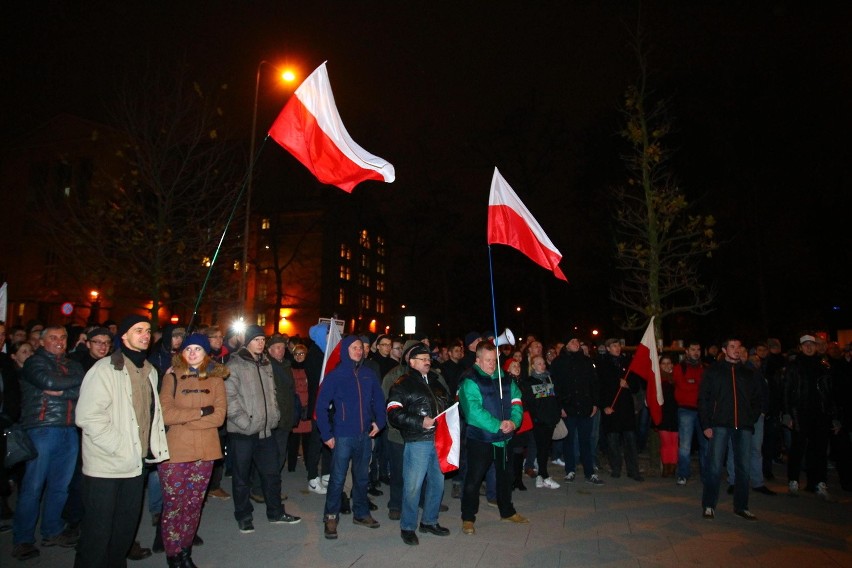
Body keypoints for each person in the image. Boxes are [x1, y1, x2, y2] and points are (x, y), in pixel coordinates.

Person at [74, 315, 170, 568]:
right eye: (138, 330)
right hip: (106, 465)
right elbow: (88, 417)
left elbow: (151, 415)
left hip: (135, 464)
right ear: (124, 336)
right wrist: (120, 447)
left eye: (148, 330)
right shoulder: (105, 369)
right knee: (98, 533)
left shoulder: (149, 371)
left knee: (124, 532)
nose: (145, 335)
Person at [11, 326, 85, 561]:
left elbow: (83, 387)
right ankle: (22, 539)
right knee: (33, 487)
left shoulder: (73, 365)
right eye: (53, 338)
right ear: (42, 342)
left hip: (69, 429)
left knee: (60, 486)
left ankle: (52, 530)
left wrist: (64, 390)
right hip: (42, 428)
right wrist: (72, 385)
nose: (59, 341)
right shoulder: (35, 362)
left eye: (62, 337)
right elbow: (49, 381)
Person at [158, 332, 227, 567]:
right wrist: (199, 413)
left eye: (198, 349)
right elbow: (166, 414)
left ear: (206, 353)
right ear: (182, 353)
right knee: (174, 505)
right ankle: (172, 554)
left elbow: (218, 418)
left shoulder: (216, 380)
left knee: (194, 504)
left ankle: (185, 552)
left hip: (206, 451)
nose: (193, 353)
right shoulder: (172, 378)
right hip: (175, 451)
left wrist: (185, 418)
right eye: (189, 349)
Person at [226, 325, 299, 533]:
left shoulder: (266, 364)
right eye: (256, 339)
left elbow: (272, 393)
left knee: (271, 473)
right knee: (242, 477)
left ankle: (275, 512)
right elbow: (229, 398)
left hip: (266, 430)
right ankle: (243, 515)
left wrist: (274, 415)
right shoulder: (236, 364)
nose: (260, 343)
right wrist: (244, 422)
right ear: (247, 341)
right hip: (243, 432)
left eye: (262, 340)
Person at [315, 335, 386, 540]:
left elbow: (378, 400)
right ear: (346, 350)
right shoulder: (336, 375)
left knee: (362, 477)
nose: (358, 351)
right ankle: (330, 516)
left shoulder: (368, 374)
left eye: (360, 348)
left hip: (365, 435)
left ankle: (361, 513)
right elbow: (320, 406)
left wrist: (379, 422)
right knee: (337, 478)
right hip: (343, 435)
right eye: (354, 348)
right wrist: (327, 434)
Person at [458, 340, 527, 535]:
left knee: (505, 477)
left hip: (504, 438)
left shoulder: (504, 378)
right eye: (487, 360)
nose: (491, 364)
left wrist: (513, 422)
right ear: (478, 360)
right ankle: (468, 517)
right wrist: (498, 424)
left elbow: (516, 400)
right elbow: (473, 411)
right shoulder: (470, 379)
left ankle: (507, 511)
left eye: (494, 360)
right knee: (474, 479)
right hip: (481, 439)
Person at [386, 344, 451, 545]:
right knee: (413, 487)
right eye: (422, 358)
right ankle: (407, 526)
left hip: (439, 440)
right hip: (417, 441)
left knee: (437, 484)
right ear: (411, 362)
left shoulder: (436, 381)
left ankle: (429, 521)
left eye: (428, 358)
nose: (427, 361)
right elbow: (393, 411)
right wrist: (419, 421)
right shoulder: (402, 383)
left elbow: (446, 405)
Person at [698, 337, 761, 521]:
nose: (736, 350)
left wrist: (751, 417)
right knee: (715, 466)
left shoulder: (748, 372)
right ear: (724, 350)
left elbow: (757, 398)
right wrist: (706, 424)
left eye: (739, 347)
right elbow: (704, 398)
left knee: (743, 468)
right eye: (732, 347)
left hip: (743, 426)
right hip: (720, 424)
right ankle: (709, 505)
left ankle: (741, 506)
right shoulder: (714, 372)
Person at [783, 334, 841, 500]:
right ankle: (793, 480)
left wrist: (834, 416)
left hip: (820, 414)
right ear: (801, 347)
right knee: (798, 448)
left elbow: (830, 393)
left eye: (812, 344)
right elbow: (787, 391)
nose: (809, 347)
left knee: (820, 450)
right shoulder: (794, 366)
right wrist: (787, 413)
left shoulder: (824, 366)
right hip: (800, 413)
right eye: (806, 345)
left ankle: (819, 482)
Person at [550, 337, 603, 485]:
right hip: (568, 407)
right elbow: (555, 386)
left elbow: (594, 383)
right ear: (566, 345)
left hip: (585, 407)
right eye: (573, 342)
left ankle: (589, 472)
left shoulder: (586, 361)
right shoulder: (559, 362)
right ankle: (570, 470)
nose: (576, 344)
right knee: (569, 440)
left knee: (586, 440)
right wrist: (559, 406)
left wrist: (594, 403)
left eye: (577, 341)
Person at [599, 338, 643, 481]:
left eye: (618, 345)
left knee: (630, 440)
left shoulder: (628, 363)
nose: (617, 348)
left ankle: (633, 470)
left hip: (626, 407)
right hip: (611, 406)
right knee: (613, 440)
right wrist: (604, 406)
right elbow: (599, 388)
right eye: (613, 346)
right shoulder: (602, 364)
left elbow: (637, 385)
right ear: (607, 348)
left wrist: (628, 384)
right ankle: (616, 468)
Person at [522, 355, 561, 489]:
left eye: (543, 363)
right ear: (533, 366)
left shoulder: (550, 378)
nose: (542, 366)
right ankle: (544, 475)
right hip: (538, 421)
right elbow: (529, 401)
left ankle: (541, 476)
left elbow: (555, 398)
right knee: (541, 447)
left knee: (545, 447)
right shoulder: (529, 381)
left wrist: (556, 414)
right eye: (539, 363)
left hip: (550, 419)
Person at [673, 340, 709, 485]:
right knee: (685, 445)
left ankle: (706, 475)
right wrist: (695, 385)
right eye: (693, 349)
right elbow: (682, 386)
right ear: (687, 351)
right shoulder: (680, 367)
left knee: (705, 445)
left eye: (698, 349)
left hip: (703, 411)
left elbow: (706, 388)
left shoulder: (705, 368)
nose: (696, 352)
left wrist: (693, 383)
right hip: (686, 409)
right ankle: (683, 474)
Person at [656, 355, 679, 477]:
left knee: (674, 442)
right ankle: (666, 467)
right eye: (663, 363)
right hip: (663, 414)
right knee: (665, 442)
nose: (666, 365)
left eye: (668, 363)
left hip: (675, 413)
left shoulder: (676, 378)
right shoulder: (657, 379)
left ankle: (673, 467)